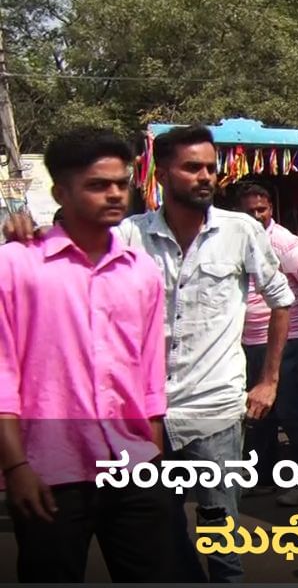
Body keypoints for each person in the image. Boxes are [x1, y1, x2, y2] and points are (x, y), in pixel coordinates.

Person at [2, 124, 296, 583]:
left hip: (211, 410)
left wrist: (270, 379)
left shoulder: (239, 231)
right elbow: (76, 247)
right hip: (136, 430)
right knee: (165, 541)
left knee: (221, 540)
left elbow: (283, 299)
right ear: (160, 175)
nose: (204, 177)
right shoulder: (129, 240)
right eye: (191, 167)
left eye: (210, 169)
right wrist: (34, 233)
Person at [0, 127, 171, 582]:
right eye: (98, 185)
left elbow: (150, 375)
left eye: (121, 183)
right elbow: (3, 377)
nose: (115, 194)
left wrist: (152, 456)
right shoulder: (17, 265)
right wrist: (15, 467)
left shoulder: (141, 272)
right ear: (61, 191)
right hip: (47, 472)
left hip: (133, 465)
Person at [237, 182, 298, 507]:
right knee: (258, 411)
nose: (257, 215)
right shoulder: (238, 240)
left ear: (271, 209)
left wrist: (297, 314)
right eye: (250, 211)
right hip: (251, 340)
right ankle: (262, 476)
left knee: (292, 410)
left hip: (286, 339)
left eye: (262, 209)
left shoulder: (283, 241)